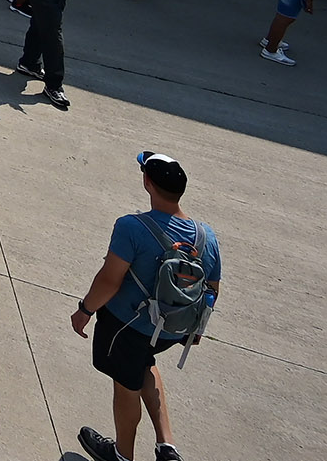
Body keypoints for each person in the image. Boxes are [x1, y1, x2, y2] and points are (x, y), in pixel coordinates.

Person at [72, 150, 222, 461]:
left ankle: (121, 455)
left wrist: (85, 311)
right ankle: (166, 447)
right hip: (171, 330)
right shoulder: (207, 237)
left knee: (126, 383)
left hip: (127, 327)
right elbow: (211, 290)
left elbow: (109, 281)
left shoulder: (132, 227)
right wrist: (195, 329)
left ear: (147, 183)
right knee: (146, 363)